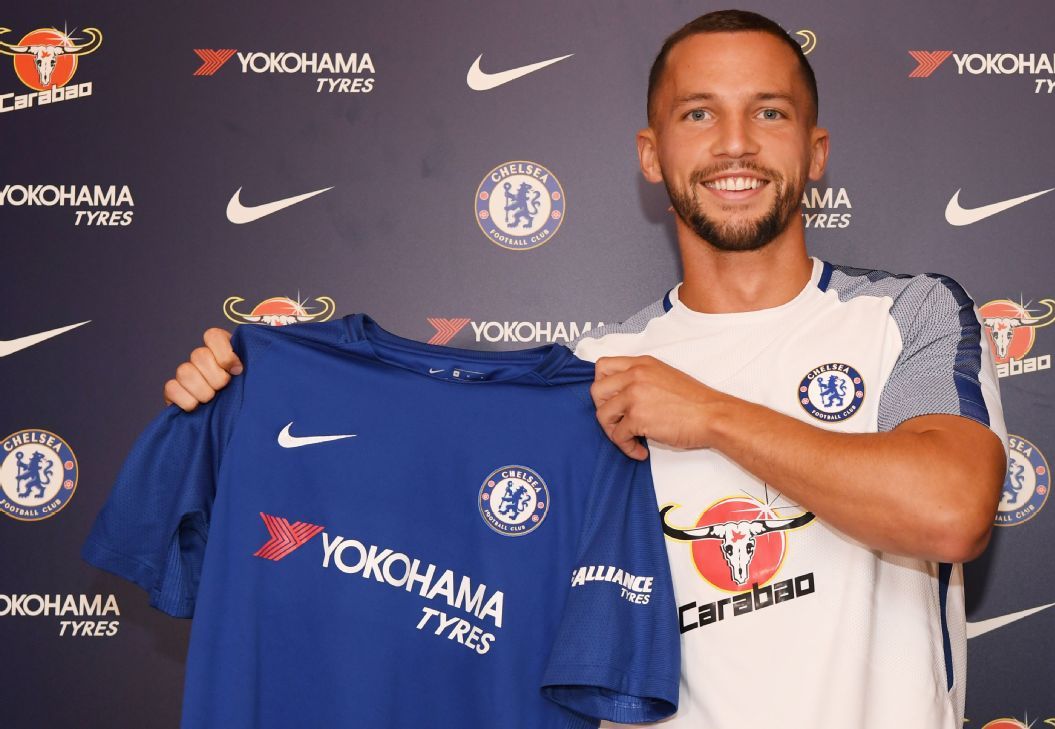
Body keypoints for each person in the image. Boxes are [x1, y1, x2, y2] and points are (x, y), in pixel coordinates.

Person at [162, 10, 1007, 728]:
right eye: (699, 114)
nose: (736, 144)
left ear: (815, 151)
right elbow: (400, 536)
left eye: (770, 112)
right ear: (652, 154)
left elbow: (949, 511)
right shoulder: (582, 380)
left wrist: (710, 415)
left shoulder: (907, 315)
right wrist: (250, 402)